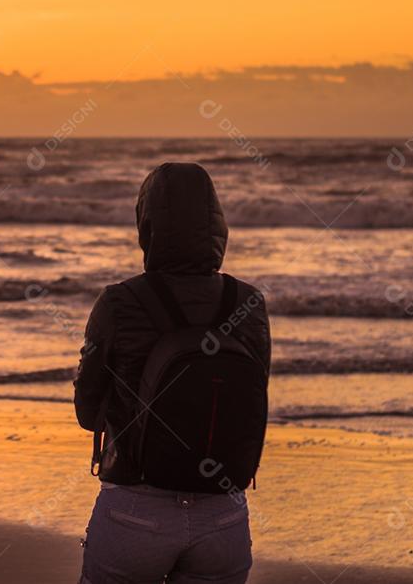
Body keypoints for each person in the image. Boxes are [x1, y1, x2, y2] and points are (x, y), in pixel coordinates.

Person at [74, 163, 271, 584]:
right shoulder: (249, 302)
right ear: (217, 225)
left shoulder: (118, 302)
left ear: (147, 226)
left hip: (135, 511)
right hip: (224, 515)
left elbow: (88, 414)